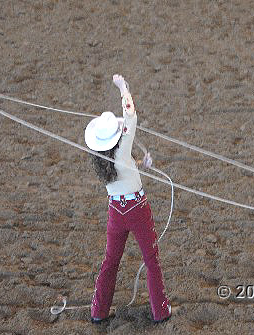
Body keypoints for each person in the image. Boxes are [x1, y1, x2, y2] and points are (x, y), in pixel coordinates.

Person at [85, 74, 171, 324]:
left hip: (116, 211)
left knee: (110, 260)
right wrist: (123, 88)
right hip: (137, 209)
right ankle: (161, 311)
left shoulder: (103, 159)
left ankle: (98, 311)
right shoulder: (121, 149)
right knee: (151, 259)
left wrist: (140, 166)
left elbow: (124, 173)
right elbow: (130, 114)